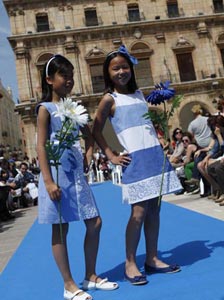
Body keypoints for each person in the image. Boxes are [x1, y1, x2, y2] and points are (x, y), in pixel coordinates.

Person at [92, 45, 181, 285]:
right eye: (115, 68)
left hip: (154, 156)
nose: (121, 71)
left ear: (131, 68)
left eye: (124, 66)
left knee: (154, 210)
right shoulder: (109, 99)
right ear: (107, 72)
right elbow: (96, 129)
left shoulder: (140, 94)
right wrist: (110, 155)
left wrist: (160, 137)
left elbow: (147, 123)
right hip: (135, 160)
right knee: (138, 213)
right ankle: (130, 263)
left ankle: (152, 258)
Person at [36, 55, 118, 300]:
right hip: (57, 173)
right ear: (50, 80)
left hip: (75, 173)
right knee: (60, 230)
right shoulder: (45, 109)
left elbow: (89, 133)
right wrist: (49, 181)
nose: (69, 80)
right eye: (64, 76)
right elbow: (40, 145)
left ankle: (90, 276)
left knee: (95, 222)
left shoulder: (74, 107)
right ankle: (69, 284)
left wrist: (89, 152)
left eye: (72, 75)